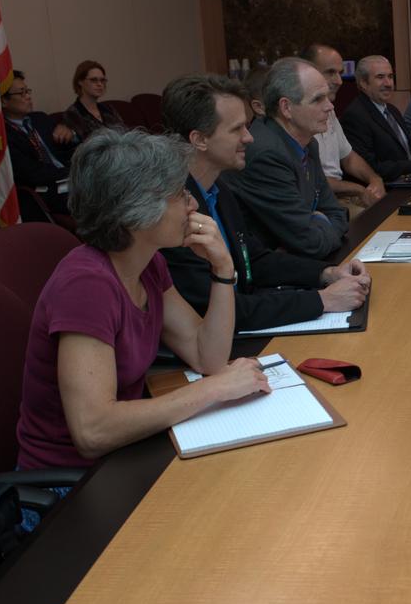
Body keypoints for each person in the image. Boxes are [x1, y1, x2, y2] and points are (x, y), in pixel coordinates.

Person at [16, 129, 271, 471]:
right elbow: (92, 431)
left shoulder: (148, 262)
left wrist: (222, 267)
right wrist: (215, 390)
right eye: (181, 195)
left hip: (125, 456)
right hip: (71, 486)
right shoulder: (86, 285)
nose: (193, 204)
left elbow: (206, 356)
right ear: (136, 211)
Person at [159, 73, 371, 332]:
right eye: (237, 129)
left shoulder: (219, 189)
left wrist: (327, 273)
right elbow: (215, 310)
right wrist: (320, 300)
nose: (249, 137)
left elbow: (256, 260)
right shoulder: (172, 211)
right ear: (199, 139)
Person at [222, 57, 349, 260]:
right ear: (286, 108)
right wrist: (318, 220)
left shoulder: (308, 143)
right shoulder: (266, 154)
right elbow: (310, 242)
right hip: (267, 274)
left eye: (327, 97)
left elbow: (338, 214)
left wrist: (317, 221)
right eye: (318, 99)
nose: (330, 107)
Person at [305, 43, 386, 208]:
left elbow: (349, 157)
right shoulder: (300, 115)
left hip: (340, 197)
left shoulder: (330, 110)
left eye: (340, 73)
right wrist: (359, 189)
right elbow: (312, 179)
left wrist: (374, 179)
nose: (339, 81)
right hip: (319, 203)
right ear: (307, 72)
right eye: (330, 72)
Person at [340, 55, 411, 180]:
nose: (388, 83)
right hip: (390, 189)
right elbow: (369, 169)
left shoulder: (392, 110)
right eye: (380, 77)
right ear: (363, 83)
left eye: (390, 76)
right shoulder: (355, 116)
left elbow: (410, 153)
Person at [0, 69, 73, 218]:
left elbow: (68, 149)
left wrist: (71, 134)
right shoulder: (4, 135)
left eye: (28, 91)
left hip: (71, 179)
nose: (28, 97)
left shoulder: (41, 118)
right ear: (3, 101)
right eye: (22, 93)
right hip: (46, 190)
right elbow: (31, 173)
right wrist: (73, 173)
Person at [59, 60, 125, 144]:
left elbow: (125, 133)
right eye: (94, 80)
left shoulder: (109, 109)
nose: (100, 84)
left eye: (102, 80)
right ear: (80, 82)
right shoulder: (72, 114)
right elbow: (85, 147)